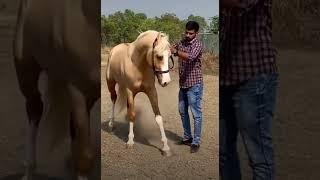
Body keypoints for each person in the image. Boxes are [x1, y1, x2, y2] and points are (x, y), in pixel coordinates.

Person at [220, 0, 279, 179]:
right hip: (226, 77)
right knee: (223, 153)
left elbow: (239, 3)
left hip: (254, 74)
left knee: (258, 155)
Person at [170, 21, 204, 153]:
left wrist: (176, 52)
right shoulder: (182, 41)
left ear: (196, 33)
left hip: (194, 84)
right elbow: (173, 48)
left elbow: (190, 57)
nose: (188, 35)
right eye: (186, 32)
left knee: (196, 114)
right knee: (182, 111)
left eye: (191, 33)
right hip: (183, 84)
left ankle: (196, 141)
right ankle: (187, 137)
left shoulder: (197, 44)